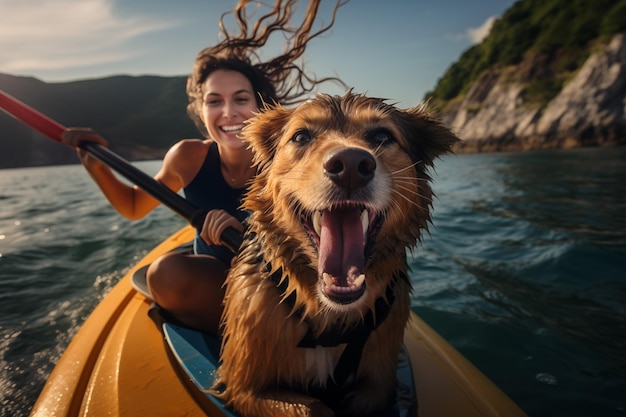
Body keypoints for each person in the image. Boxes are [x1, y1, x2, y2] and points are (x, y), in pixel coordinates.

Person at [61, 0, 345, 335]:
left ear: (261, 106)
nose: (228, 113)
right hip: (215, 286)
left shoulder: (286, 164)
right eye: (214, 101)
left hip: (278, 286)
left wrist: (249, 236)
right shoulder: (187, 156)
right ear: (202, 110)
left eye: (241, 99)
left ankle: (283, 341)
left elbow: (317, 246)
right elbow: (134, 206)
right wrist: (94, 163)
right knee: (166, 274)